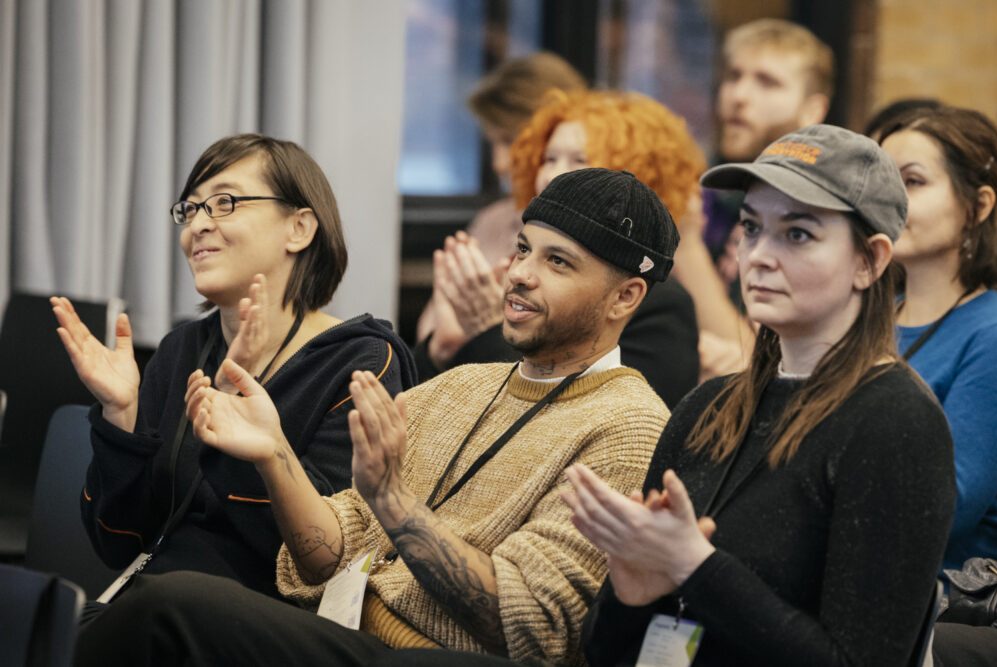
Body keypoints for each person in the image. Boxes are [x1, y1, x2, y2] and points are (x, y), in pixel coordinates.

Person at [73, 167, 675, 666]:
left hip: (434, 656)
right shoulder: (463, 387)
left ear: (625, 297)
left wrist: (393, 502)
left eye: (558, 262)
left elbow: (531, 627)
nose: (518, 274)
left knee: (170, 610)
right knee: (140, 612)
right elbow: (325, 556)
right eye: (522, 249)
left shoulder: (628, 426)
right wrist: (274, 454)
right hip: (347, 630)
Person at [565, 125, 955, 665]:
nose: (760, 257)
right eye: (751, 228)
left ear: (870, 260)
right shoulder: (707, 408)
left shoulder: (896, 423)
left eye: (797, 234)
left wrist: (696, 568)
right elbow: (607, 652)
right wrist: (635, 594)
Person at [51, 134, 417, 600]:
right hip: (155, 607)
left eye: (224, 203)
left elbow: (326, 565)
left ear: (299, 229)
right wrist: (120, 417)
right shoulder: (181, 351)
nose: (198, 225)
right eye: (191, 209)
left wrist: (250, 448)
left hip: (265, 624)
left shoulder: (362, 363)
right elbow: (118, 544)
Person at [419, 89, 703, 408]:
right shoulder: (510, 262)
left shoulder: (659, 304)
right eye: (549, 158)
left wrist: (488, 332)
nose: (553, 174)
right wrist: (440, 351)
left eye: (579, 161)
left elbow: (589, 417)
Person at [879, 107, 997, 572]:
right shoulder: (871, 317)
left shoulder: (990, 334)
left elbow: (945, 508)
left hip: (942, 602)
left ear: (979, 205)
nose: (891, 200)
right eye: (884, 182)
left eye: (912, 181)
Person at [680, 19, 835, 378]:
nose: (738, 96)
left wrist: (686, 244)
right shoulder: (711, 192)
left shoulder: (816, 216)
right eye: (733, 76)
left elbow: (754, 361)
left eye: (767, 82)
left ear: (812, 111)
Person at [415, 52, 585, 346]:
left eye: (510, 141)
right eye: (493, 142)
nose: (499, 163)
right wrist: (439, 349)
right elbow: (432, 331)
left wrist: (487, 330)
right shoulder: (492, 220)